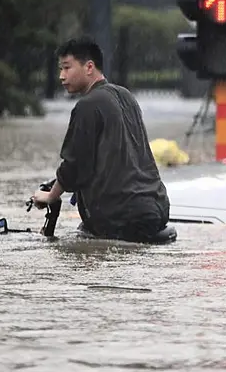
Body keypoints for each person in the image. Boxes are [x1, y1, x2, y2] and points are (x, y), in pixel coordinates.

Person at [30, 36, 171, 243]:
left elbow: (74, 165)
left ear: (89, 67)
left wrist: (51, 196)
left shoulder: (87, 105)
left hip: (121, 218)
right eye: (60, 69)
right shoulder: (126, 96)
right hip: (158, 209)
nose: (61, 76)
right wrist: (57, 183)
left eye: (67, 68)